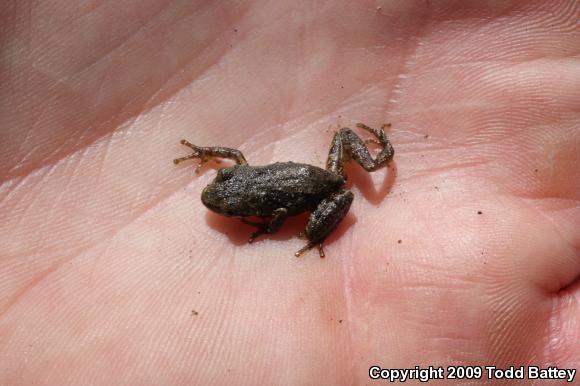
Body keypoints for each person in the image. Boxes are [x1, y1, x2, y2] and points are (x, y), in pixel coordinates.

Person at [1, 1, 579, 384]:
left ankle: (373, 167)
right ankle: (374, 159)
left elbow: (273, 206)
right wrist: (213, 160)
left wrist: (281, 228)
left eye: (225, 197)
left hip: (324, 189)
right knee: (339, 149)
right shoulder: (239, 177)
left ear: (240, 195)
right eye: (225, 194)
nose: (220, 192)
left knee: (330, 205)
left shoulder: (261, 198)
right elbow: (236, 162)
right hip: (315, 172)